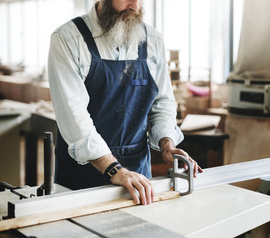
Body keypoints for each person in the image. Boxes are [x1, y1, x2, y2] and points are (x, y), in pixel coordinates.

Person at [48, 0, 203, 205]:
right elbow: (74, 116)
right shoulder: (68, 39)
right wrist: (114, 169)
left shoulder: (153, 39)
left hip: (138, 175)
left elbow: (162, 103)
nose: (134, 5)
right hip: (82, 175)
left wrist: (167, 142)